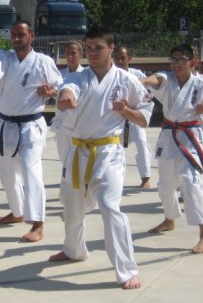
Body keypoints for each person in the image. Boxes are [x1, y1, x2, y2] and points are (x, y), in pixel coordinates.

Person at [50, 25, 153, 290]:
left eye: (99, 48)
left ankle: (127, 269)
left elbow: (143, 117)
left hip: (109, 153)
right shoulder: (80, 78)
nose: (93, 53)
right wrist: (65, 98)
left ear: (111, 49)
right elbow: (68, 89)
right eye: (90, 48)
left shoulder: (126, 81)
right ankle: (74, 250)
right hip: (78, 152)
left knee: (110, 206)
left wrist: (127, 111)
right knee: (72, 208)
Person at [0, 20, 62, 242]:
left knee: (30, 170)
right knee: (5, 171)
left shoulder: (43, 62)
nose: (16, 38)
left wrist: (50, 92)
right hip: (6, 124)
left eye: (21, 34)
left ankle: (38, 222)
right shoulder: (4, 57)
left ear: (31, 36)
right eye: (14, 34)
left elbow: (60, 86)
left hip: (31, 126)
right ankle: (17, 212)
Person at [142, 43, 203, 255]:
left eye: (180, 59)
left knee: (191, 179)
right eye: (172, 59)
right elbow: (156, 80)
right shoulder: (168, 80)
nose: (175, 64)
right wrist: (138, 81)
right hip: (169, 135)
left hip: (192, 135)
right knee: (165, 185)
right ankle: (169, 219)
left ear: (192, 62)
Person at [113, 46, 153, 188]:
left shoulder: (137, 75)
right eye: (116, 57)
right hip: (116, 120)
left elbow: (147, 97)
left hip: (134, 118)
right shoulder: (110, 74)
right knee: (117, 148)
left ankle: (145, 177)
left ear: (129, 58)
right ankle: (115, 179)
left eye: (122, 57)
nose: (119, 60)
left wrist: (131, 107)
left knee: (142, 142)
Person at [51, 41, 86, 164]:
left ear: (81, 55)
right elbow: (53, 91)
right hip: (62, 124)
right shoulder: (59, 75)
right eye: (67, 54)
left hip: (80, 124)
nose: (70, 57)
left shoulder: (86, 75)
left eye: (73, 53)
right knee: (65, 161)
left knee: (81, 161)